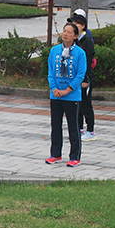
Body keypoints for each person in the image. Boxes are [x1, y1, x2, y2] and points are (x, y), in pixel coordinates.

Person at [46, 22, 87, 167]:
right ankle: (55, 154)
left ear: (76, 36)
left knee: (73, 127)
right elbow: (50, 71)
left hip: (72, 96)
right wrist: (54, 88)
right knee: (55, 125)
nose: (65, 34)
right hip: (56, 95)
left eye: (69, 32)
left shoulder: (80, 53)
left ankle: (75, 156)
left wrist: (67, 90)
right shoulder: (54, 51)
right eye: (64, 31)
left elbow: (80, 74)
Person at [70, 9, 97, 142]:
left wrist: (85, 78)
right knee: (77, 103)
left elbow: (87, 61)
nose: (74, 25)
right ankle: (79, 128)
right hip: (74, 78)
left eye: (77, 23)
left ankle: (90, 130)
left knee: (86, 104)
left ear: (83, 26)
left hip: (84, 79)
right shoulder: (73, 40)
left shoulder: (87, 41)